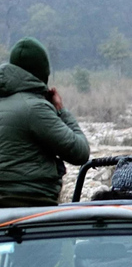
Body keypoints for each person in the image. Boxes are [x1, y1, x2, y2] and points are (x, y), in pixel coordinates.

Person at [0, 37, 90, 207]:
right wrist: (61, 110)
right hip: (29, 203)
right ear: (42, 73)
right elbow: (80, 152)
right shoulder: (35, 108)